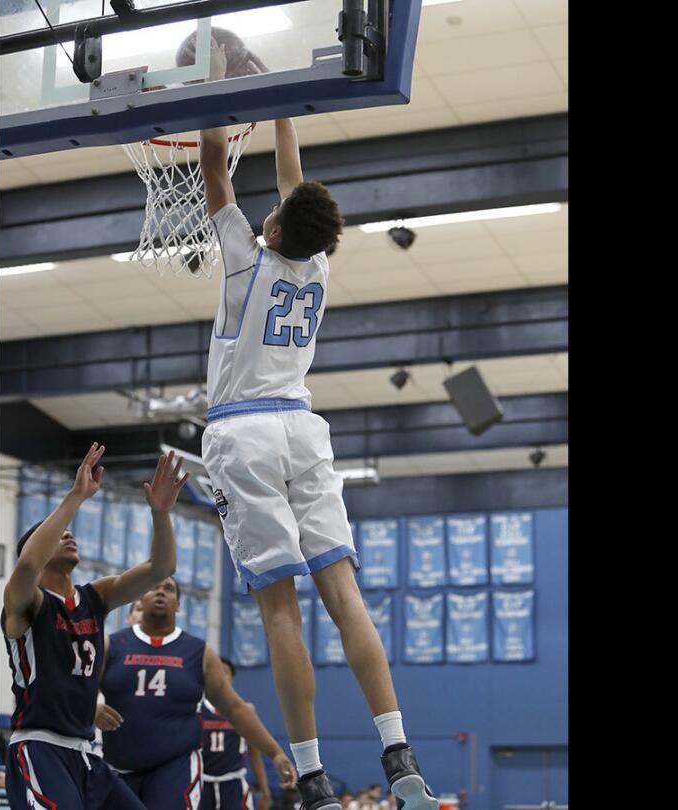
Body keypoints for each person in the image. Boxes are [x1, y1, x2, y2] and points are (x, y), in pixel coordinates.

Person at [197, 46, 439, 810]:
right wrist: (278, 100)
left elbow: (213, 168)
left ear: (272, 229)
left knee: (279, 607)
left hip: (244, 433)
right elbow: (294, 186)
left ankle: (309, 776)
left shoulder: (247, 259)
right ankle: (397, 752)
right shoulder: (317, 266)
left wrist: (213, 85)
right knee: (346, 597)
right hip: (304, 427)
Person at [1, 446, 190, 810]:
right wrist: (76, 497)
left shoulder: (96, 597)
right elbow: (26, 566)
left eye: (70, 531)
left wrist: (161, 513)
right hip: (40, 748)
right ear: (38, 552)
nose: (68, 535)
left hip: (86, 756)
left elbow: (159, 568)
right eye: (57, 534)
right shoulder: (26, 603)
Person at [95, 575, 297, 808]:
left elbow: (234, 708)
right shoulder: (112, 644)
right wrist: (91, 708)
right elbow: (80, 691)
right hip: (118, 763)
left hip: (175, 765)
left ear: (179, 604)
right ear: (140, 599)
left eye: (169, 589)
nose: (161, 592)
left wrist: (275, 753)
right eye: (153, 587)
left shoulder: (198, 652)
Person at [199, 656, 276, 810]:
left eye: (225, 671)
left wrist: (265, 792)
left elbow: (254, 754)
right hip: (202, 784)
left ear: (232, 678)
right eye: (216, 670)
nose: (220, 674)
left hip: (233, 785)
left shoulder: (245, 710)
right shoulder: (196, 709)